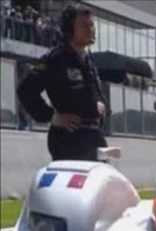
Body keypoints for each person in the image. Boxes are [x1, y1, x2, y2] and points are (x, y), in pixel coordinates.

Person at [17, 4, 107, 161]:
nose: (91, 29)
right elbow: (25, 90)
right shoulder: (55, 59)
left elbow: (90, 93)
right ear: (69, 29)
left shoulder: (88, 60)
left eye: (92, 25)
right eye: (84, 25)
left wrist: (100, 104)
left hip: (94, 137)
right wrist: (52, 116)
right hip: (69, 139)